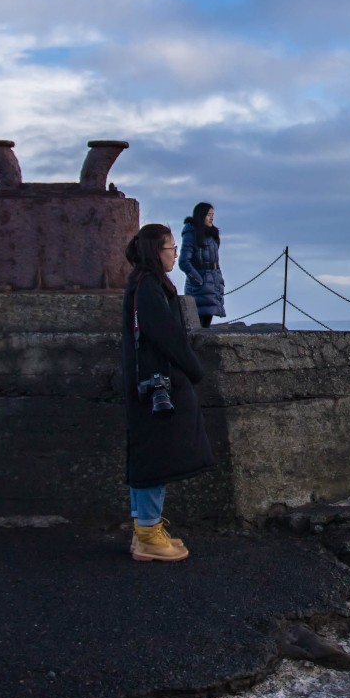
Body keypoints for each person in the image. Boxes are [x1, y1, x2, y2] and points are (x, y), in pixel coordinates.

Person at [119, 222, 215, 562]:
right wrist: (195, 369)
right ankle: (148, 534)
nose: (175, 253)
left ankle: (147, 530)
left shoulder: (143, 283)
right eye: (170, 248)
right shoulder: (148, 287)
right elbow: (168, 336)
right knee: (155, 459)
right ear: (155, 252)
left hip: (145, 382)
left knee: (148, 455)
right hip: (154, 384)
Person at [179, 201, 225, 325]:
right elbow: (184, 262)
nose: (212, 218)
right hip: (199, 286)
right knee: (198, 324)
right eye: (209, 214)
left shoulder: (212, 234)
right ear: (201, 215)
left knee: (207, 322)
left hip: (213, 284)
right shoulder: (191, 234)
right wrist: (199, 280)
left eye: (213, 215)